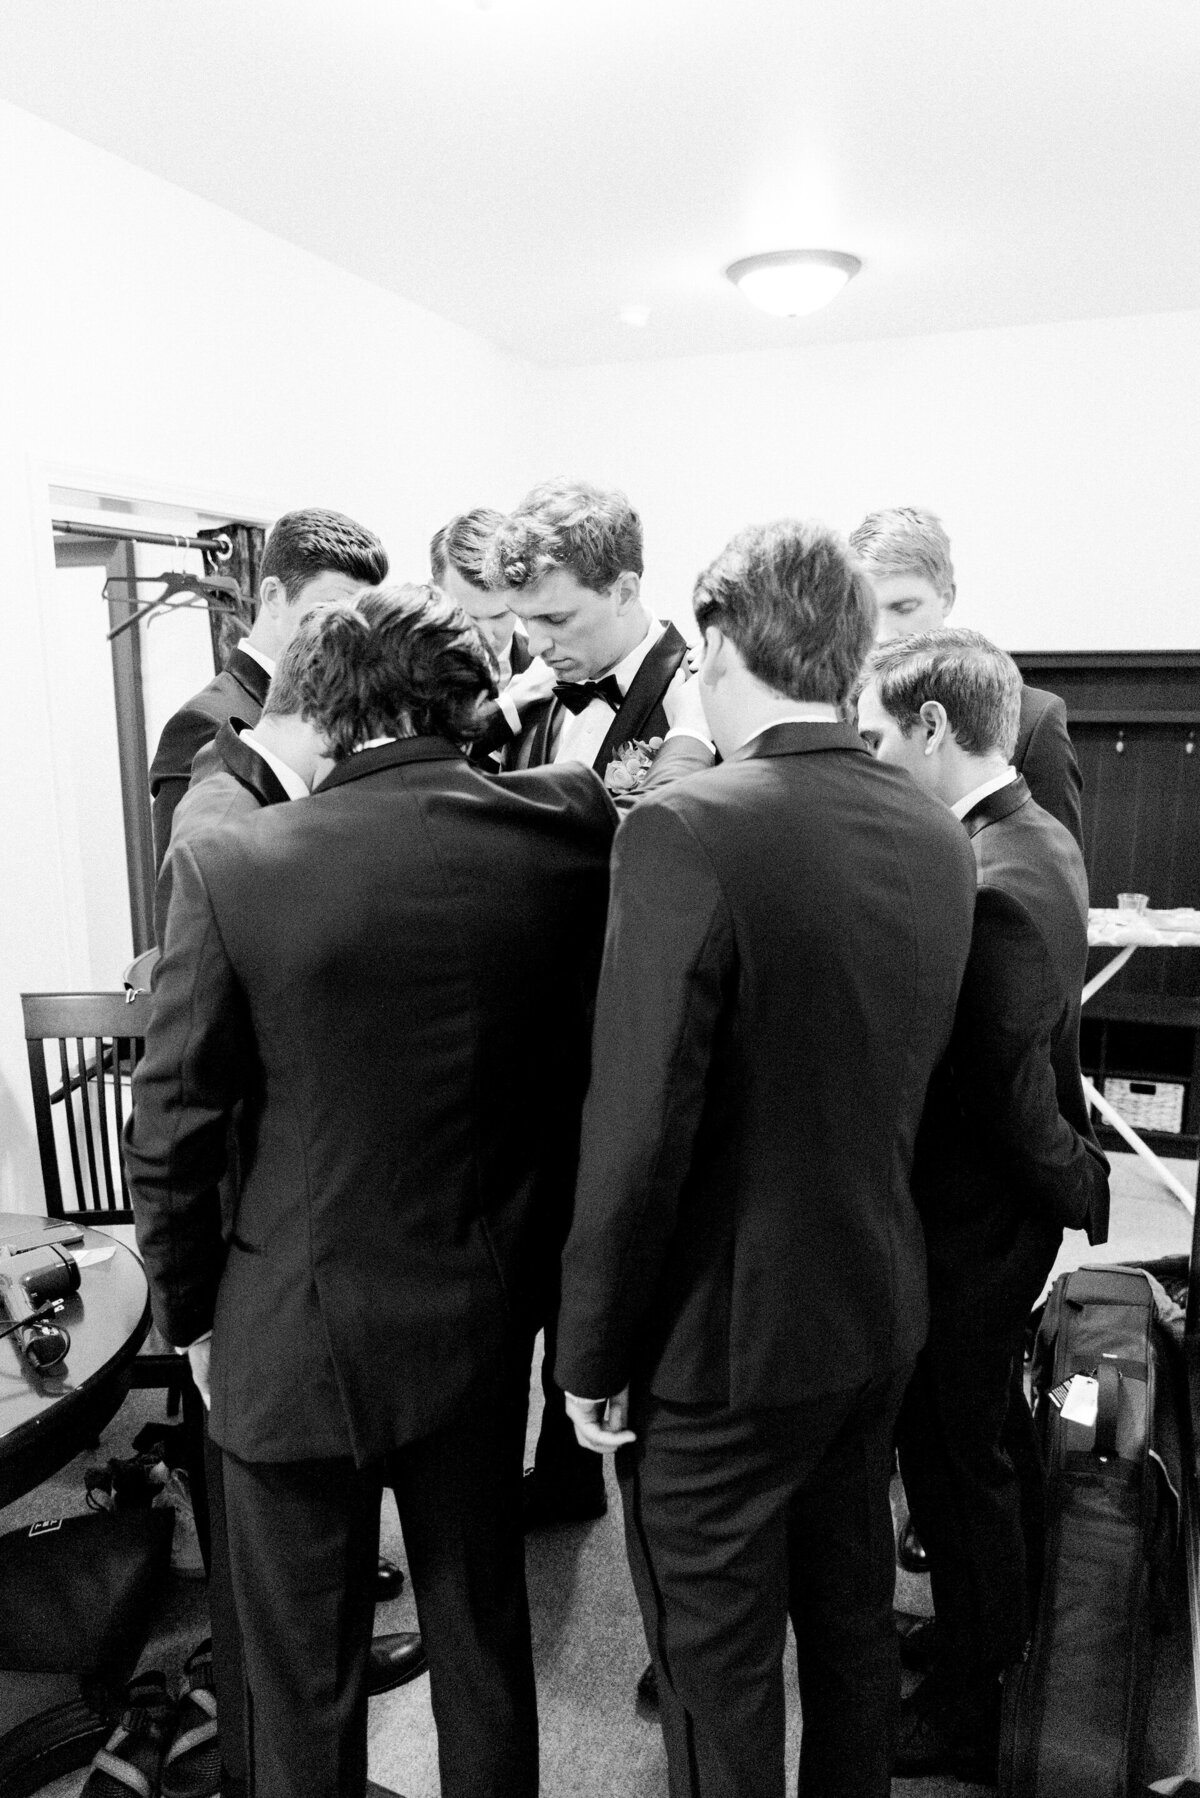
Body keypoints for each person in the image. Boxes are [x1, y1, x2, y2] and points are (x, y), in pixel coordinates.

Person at [126, 582, 616, 1798]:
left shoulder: (236, 863)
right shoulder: (567, 826)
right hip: (481, 1317)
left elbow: (175, 1121)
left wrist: (186, 1312)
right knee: (483, 1641)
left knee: (302, 1675)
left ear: (337, 711)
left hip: (293, 1329)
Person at [554, 519, 977, 1798]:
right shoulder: (933, 825)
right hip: (873, 1301)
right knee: (850, 1631)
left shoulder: (686, 826)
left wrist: (590, 1353)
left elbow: (638, 1129)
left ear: (723, 644)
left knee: (717, 1666)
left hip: (722, 1344)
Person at [156, 603, 428, 1798]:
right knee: (272, 1610)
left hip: (315, 1233)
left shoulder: (289, 815)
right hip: (256, 1249)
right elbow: (179, 1110)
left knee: (299, 1587)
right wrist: (193, 1312)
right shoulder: (220, 817)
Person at [857, 629, 1109, 1782]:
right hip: (990, 1218)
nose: (867, 753)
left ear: (933, 729)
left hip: (973, 1227)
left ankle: (972, 1703)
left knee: (959, 1467)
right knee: (983, 1449)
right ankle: (981, 1637)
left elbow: (1014, 1097)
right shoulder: (1035, 832)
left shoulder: (992, 877)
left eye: (874, 734)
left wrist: (1081, 1185)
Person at [483, 477, 713, 1527]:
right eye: (523, 619)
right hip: (535, 1033)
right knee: (536, 1257)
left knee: (620, 1266)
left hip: (627, 1029)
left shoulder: (698, 694)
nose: (539, 642)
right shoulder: (534, 693)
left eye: (560, 618)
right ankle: (557, 1471)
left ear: (626, 585)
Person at [148, 506, 388, 870]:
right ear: (274, 595)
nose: (349, 636)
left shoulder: (349, 706)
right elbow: (182, 895)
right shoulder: (203, 721)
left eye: (360, 618)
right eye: (329, 611)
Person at [849, 507, 1084, 849]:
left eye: (903, 608)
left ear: (947, 598)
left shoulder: (1032, 717)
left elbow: (1056, 861)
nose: (883, 633)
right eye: (870, 612)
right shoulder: (840, 711)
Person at [429, 507, 555, 764]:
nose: (485, 636)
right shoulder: (402, 676)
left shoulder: (554, 666)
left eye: (500, 615)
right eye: (468, 617)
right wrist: (513, 703)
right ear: (434, 594)